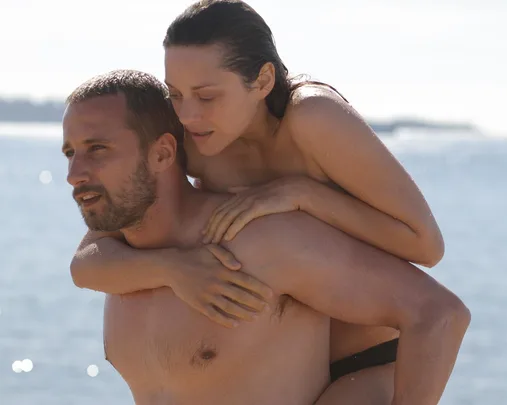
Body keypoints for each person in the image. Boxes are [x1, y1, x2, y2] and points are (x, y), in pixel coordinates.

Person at [70, 0, 449, 401]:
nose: (188, 114)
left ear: (264, 80)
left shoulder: (312, 118)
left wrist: (301, 194)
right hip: (279, 350)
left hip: (369, 356)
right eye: (175, 94)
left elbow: (425, 245)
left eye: (207, 95)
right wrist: (173, 269)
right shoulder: (194, 140)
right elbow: (91, 257)